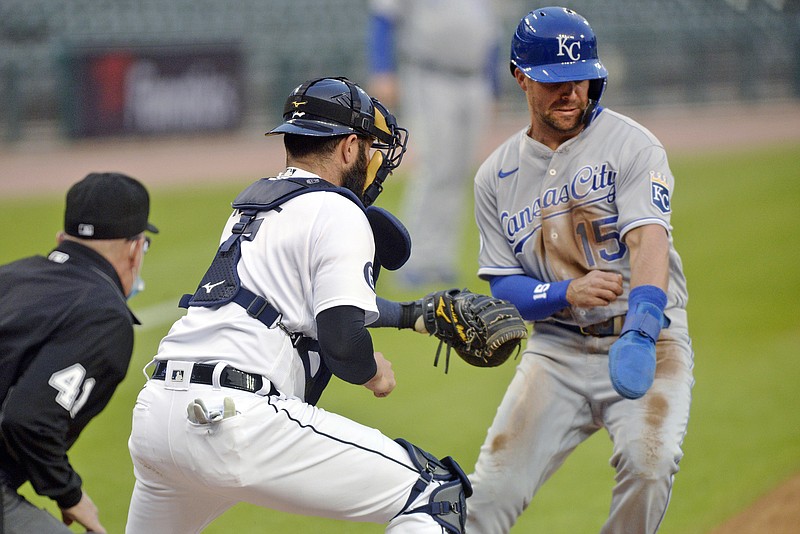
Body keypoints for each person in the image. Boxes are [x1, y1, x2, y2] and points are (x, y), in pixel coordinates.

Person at [125, 77, 471, 534]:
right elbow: (342, 339)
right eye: (369, 147)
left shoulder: (256, 207)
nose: (373, 161)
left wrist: (411, 316)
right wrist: (372, 374)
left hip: (158, 415)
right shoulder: (340, 210)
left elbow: (301, 307)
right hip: (235, 418)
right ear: (349, 147)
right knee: (434, 496)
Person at [466, 7, 695, 534]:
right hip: (557, 351)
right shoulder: (495, 176)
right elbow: (504, 285)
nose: (571, 92)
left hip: (648, 340)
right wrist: (567, 291)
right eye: (553, 81)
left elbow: (649, 241)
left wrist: (642, 325)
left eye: (581, 79)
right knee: (488, 495)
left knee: (650, 463)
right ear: (520, 76)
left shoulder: (632, 145)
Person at [0, 172, 157, 534]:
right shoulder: (105, 316)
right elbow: (28, 419)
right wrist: (70, 495)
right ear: (135, 249)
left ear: (62, 239)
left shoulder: (11, 276)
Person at [367, 0, 501, 286]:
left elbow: (491, 30)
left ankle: (441, 259)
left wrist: (494, 85)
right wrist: (383, 69)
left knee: (458, 173)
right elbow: (383, 18)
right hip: (431, 75)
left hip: (475, 79)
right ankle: (413, 259)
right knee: (435, 169)